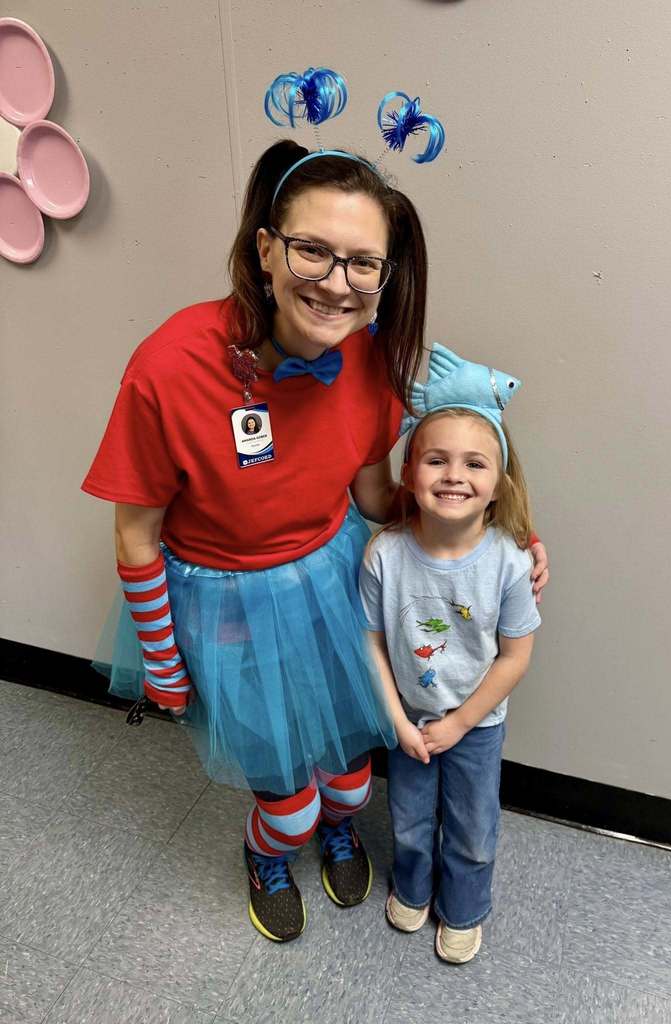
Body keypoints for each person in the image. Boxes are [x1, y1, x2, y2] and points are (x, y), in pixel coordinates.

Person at [83, 139, 549, 945]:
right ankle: (270, 851)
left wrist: (494, 529)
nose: (338, 284)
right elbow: (137, 527)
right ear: (266, 249)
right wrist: (161, 661)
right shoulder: (170, 363)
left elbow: (376, 493)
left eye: (364, 264)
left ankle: (333, 826)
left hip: (330, 581)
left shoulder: (367, 357)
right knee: (288, 800)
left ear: (386, 276)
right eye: (313, 251)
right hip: (224, 597)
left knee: (349, 782)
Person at [359, 345, 541, 963]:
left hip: (477, 726)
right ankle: (412, 886)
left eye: (474, 464)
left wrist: (460, 723)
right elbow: (373, 643)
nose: (454, 475)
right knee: (408, 818)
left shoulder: (509, 565)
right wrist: (397, 721)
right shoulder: (383, 555)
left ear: (499, 485)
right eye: (436, 460)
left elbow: (515, 657)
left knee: (471, 827)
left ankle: (463, 905)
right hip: (408, 720)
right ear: (410, 472)